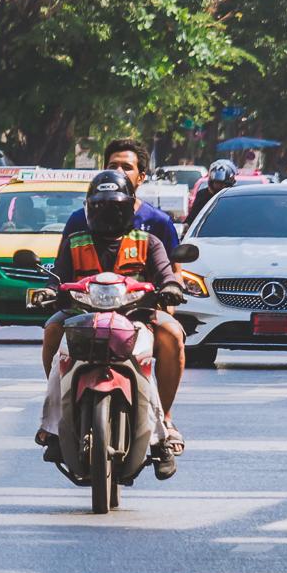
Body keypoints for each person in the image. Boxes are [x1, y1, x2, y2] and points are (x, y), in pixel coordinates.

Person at [36, 171, 184, 478]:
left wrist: (169, 287)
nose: (108, 213)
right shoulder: (75, 242)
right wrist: (50, 293)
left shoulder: (149, 242)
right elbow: (58, 279)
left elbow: (166, 274)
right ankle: (53, 426)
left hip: (137, 318)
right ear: (89, 208)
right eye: (101, 206)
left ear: (129, 208)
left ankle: (163, 430)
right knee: (52, 329)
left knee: (172, 333)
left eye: (115, 207)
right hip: (81, 317)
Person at [59, 138, 179, 255]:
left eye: (127, 167)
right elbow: (61, 272)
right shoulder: (79, 219)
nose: (119, 172)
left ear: (141, 178)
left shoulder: (159, 222)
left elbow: (175, 272)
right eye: (113, 166)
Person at [187, 159, 237, 224]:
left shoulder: (235, 197)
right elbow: (191, 220)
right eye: (216, 183)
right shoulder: (202, 195)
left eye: (222, 184)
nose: (218, 187)